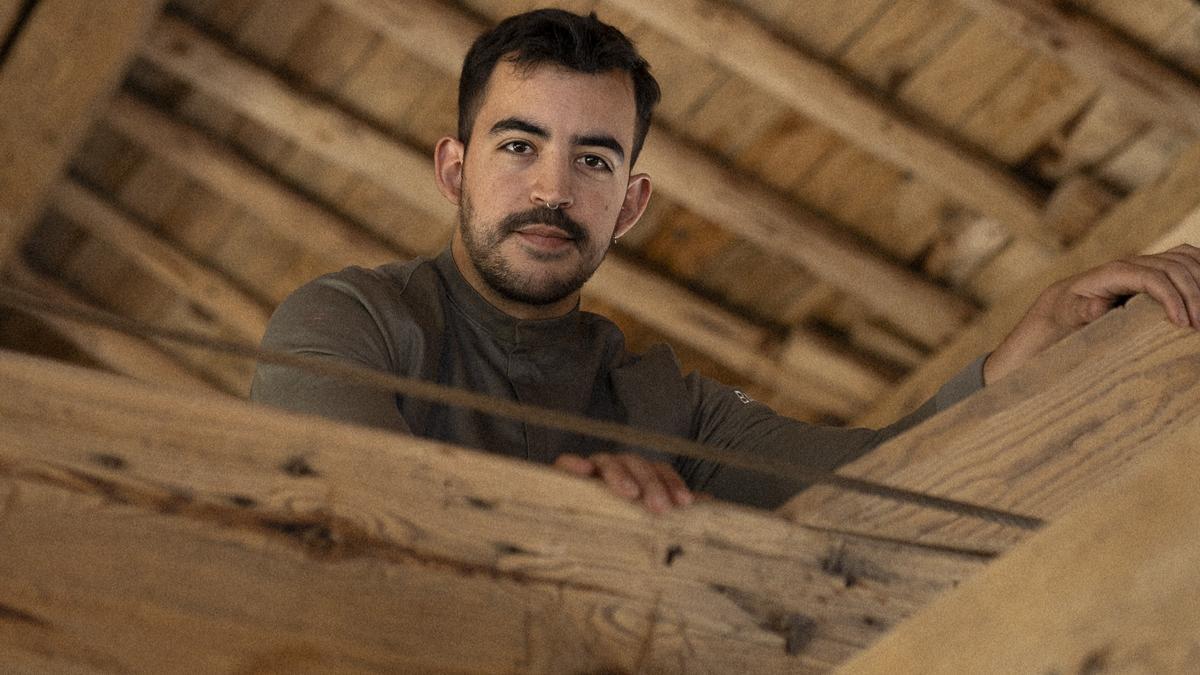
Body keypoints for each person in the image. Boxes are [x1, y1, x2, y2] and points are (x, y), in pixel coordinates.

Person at [251, 9, 1200, 513]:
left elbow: (887, 480)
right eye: (516, 146)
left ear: (630, 204)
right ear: (453, 168)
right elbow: (333, 505)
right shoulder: (349, 320)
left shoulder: (668, 405)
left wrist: (1041, 336)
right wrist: (559, 515)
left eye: (593, 159)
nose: (553, 189)